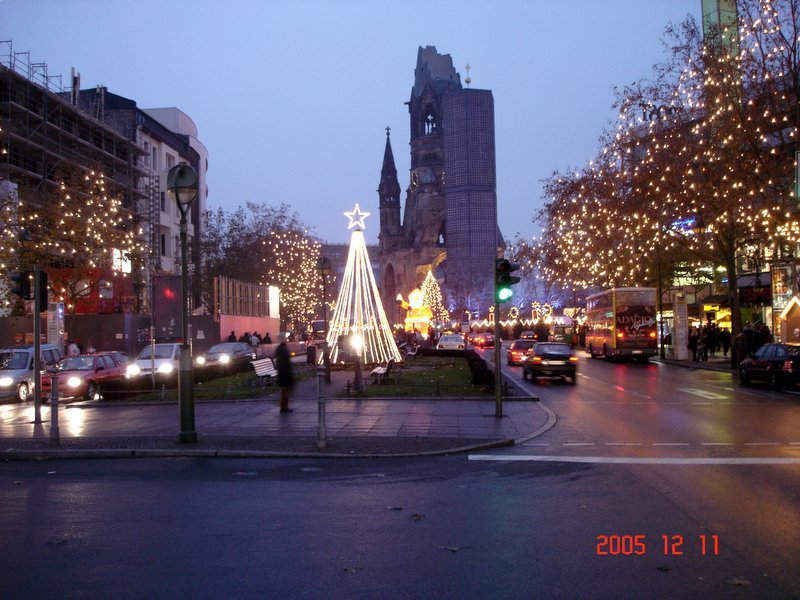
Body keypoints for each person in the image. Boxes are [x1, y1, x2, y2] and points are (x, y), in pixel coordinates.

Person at [275, 341, 294, 413]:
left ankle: (283, 407)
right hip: (285, 374)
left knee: (284, 391)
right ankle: (284, 407)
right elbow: (286, 363)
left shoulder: (279, 350)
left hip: (281, 374)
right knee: (285, 391)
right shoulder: (283, 350)